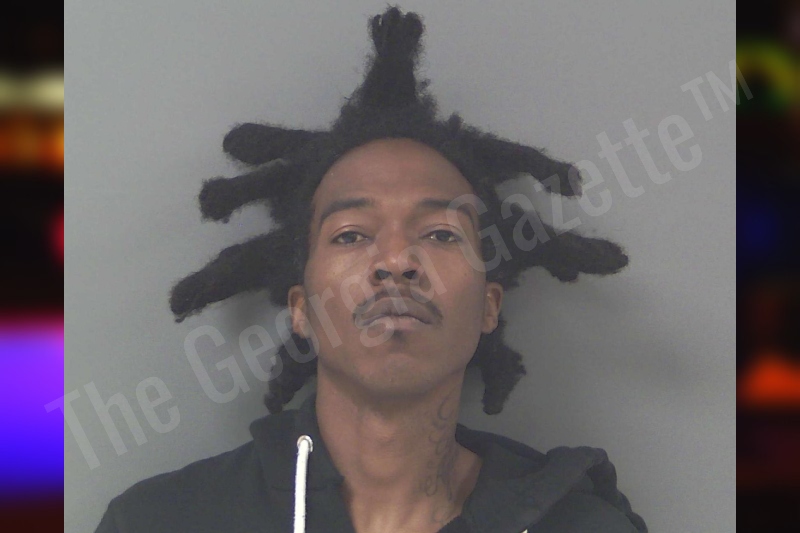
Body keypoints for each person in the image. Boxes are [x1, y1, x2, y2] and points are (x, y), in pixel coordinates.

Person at [95, 6, 647, 533]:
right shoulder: (154, 523)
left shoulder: (586, 528)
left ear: (488, 305)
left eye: (440, 234)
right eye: (351, 235)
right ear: (301, 310)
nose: (396, 260)